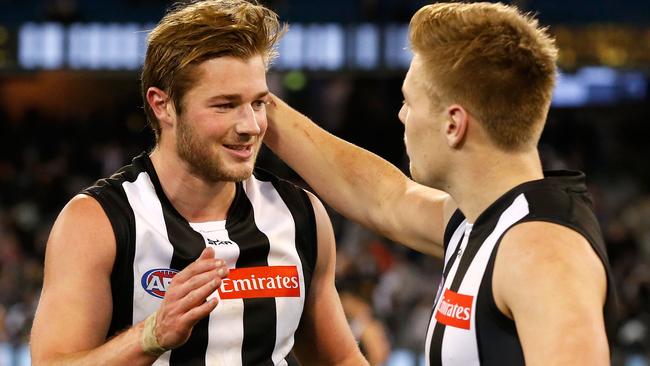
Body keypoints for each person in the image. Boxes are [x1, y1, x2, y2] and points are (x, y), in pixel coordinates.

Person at [264, 2, 617, 365]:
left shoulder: (543, 252)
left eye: (409, 102)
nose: (402, 115)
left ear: (453, 124)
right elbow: (384, 197)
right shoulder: (489, 216)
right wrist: (257, 103)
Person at [29, 1, 367, 365]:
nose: (250, 126)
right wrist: (151, 336)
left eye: (258, 103)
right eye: (224, 105)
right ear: (162, 105)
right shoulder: (96, 222)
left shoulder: (301, 215)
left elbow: (342, 359)